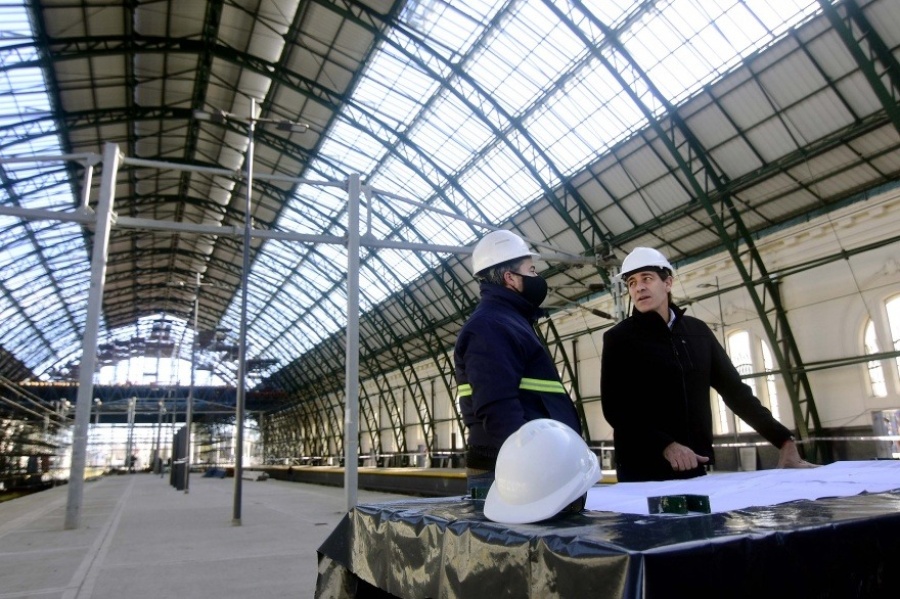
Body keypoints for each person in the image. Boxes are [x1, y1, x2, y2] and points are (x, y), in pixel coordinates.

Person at [600, 247, 816, 482]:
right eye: (631, 282)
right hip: (642, 471)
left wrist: (783, 440)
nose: (638, 287)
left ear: (668, 283)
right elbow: (617, 409)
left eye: (647, 279)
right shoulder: (619, 339)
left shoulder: (698, 333)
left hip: (695, 466)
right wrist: (667, 445)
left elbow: (736, 392)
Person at [454, 230, 582, 499]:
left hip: (518, 466)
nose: (537, 277)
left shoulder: (508, 322)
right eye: (531, 270)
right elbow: (497, 407)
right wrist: (536, 465)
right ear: (510, 278)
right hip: (511, 472)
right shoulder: (491, 326)